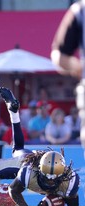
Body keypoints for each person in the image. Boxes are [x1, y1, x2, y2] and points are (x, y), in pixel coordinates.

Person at [51, 0, 85, 157]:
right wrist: (76, 66)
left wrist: (76, 67)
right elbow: (59, 55)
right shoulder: (80, 11)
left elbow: (58, 56)